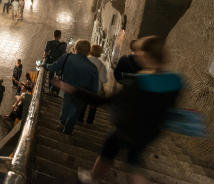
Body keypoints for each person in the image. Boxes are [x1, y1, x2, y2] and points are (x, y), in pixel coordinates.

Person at [54, 37, 183, 184]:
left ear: (147, 55)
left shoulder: (142, 82)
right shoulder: (174, 80)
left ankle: (92, 178)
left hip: (128, 130)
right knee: (134, 160)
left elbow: (106, 101)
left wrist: (72, 89)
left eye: (140, 51)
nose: (136, 54)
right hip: (151, 132)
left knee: (108, 151)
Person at [40, 39, 99, 136]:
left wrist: (44, 65)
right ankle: (67, 131)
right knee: (74, 112)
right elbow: (94, 87)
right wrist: (92, 100)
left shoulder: (66, 57)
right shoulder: (93, 68)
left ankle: (62, 122)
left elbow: (53, 67)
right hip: (81, 94)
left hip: (67, 88)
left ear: (76, 47)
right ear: (88, 51)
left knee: (66, 104)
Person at [78, 44, 107, 124]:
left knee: (82, 103)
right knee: (93, 105)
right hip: (95, 88)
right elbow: (104, 80)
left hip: (83, 85)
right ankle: (90, 121)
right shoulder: (102, 66)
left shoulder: (84, 60)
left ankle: (79, 118)